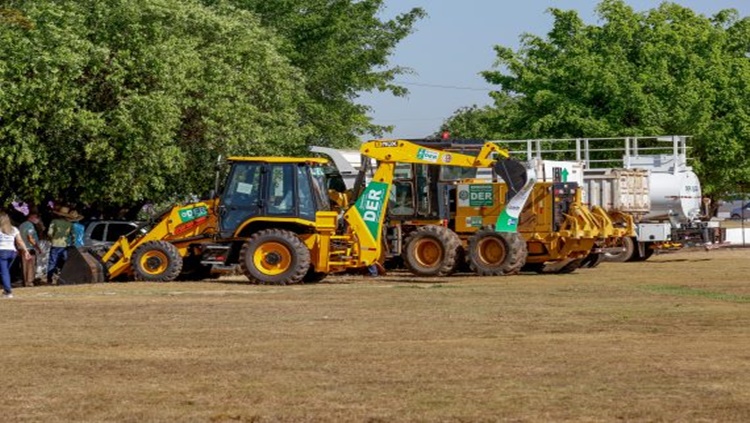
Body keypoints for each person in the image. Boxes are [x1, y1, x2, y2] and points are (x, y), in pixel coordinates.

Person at [0, 211, 31, 298]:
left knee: (4, 272)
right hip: (12, 252)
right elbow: (20, 241)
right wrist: (26, 251)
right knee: (5, 272)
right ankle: (6, 290)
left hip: (1, 252)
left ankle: (8, 292)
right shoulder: (14, 229)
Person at [47, 205, 74, 285]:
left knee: (52, 262)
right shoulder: (69, 224)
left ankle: (49, 279)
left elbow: (49, 233)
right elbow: (72, 235)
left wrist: (52, 238)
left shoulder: (54, 222)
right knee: (65, 262)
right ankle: (64, 278)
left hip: (55, 244)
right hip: (64, 245)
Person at [18, 212, 41, 287]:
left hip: (22, 248)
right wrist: (37, 247)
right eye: (36, 217)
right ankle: (30, 282)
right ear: (32, 217)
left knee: (24, 266)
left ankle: (25, 282)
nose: (38, 219)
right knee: (30, 266)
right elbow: (30, 237)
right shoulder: (30, 225)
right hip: (29, 248)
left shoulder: (22, 225)